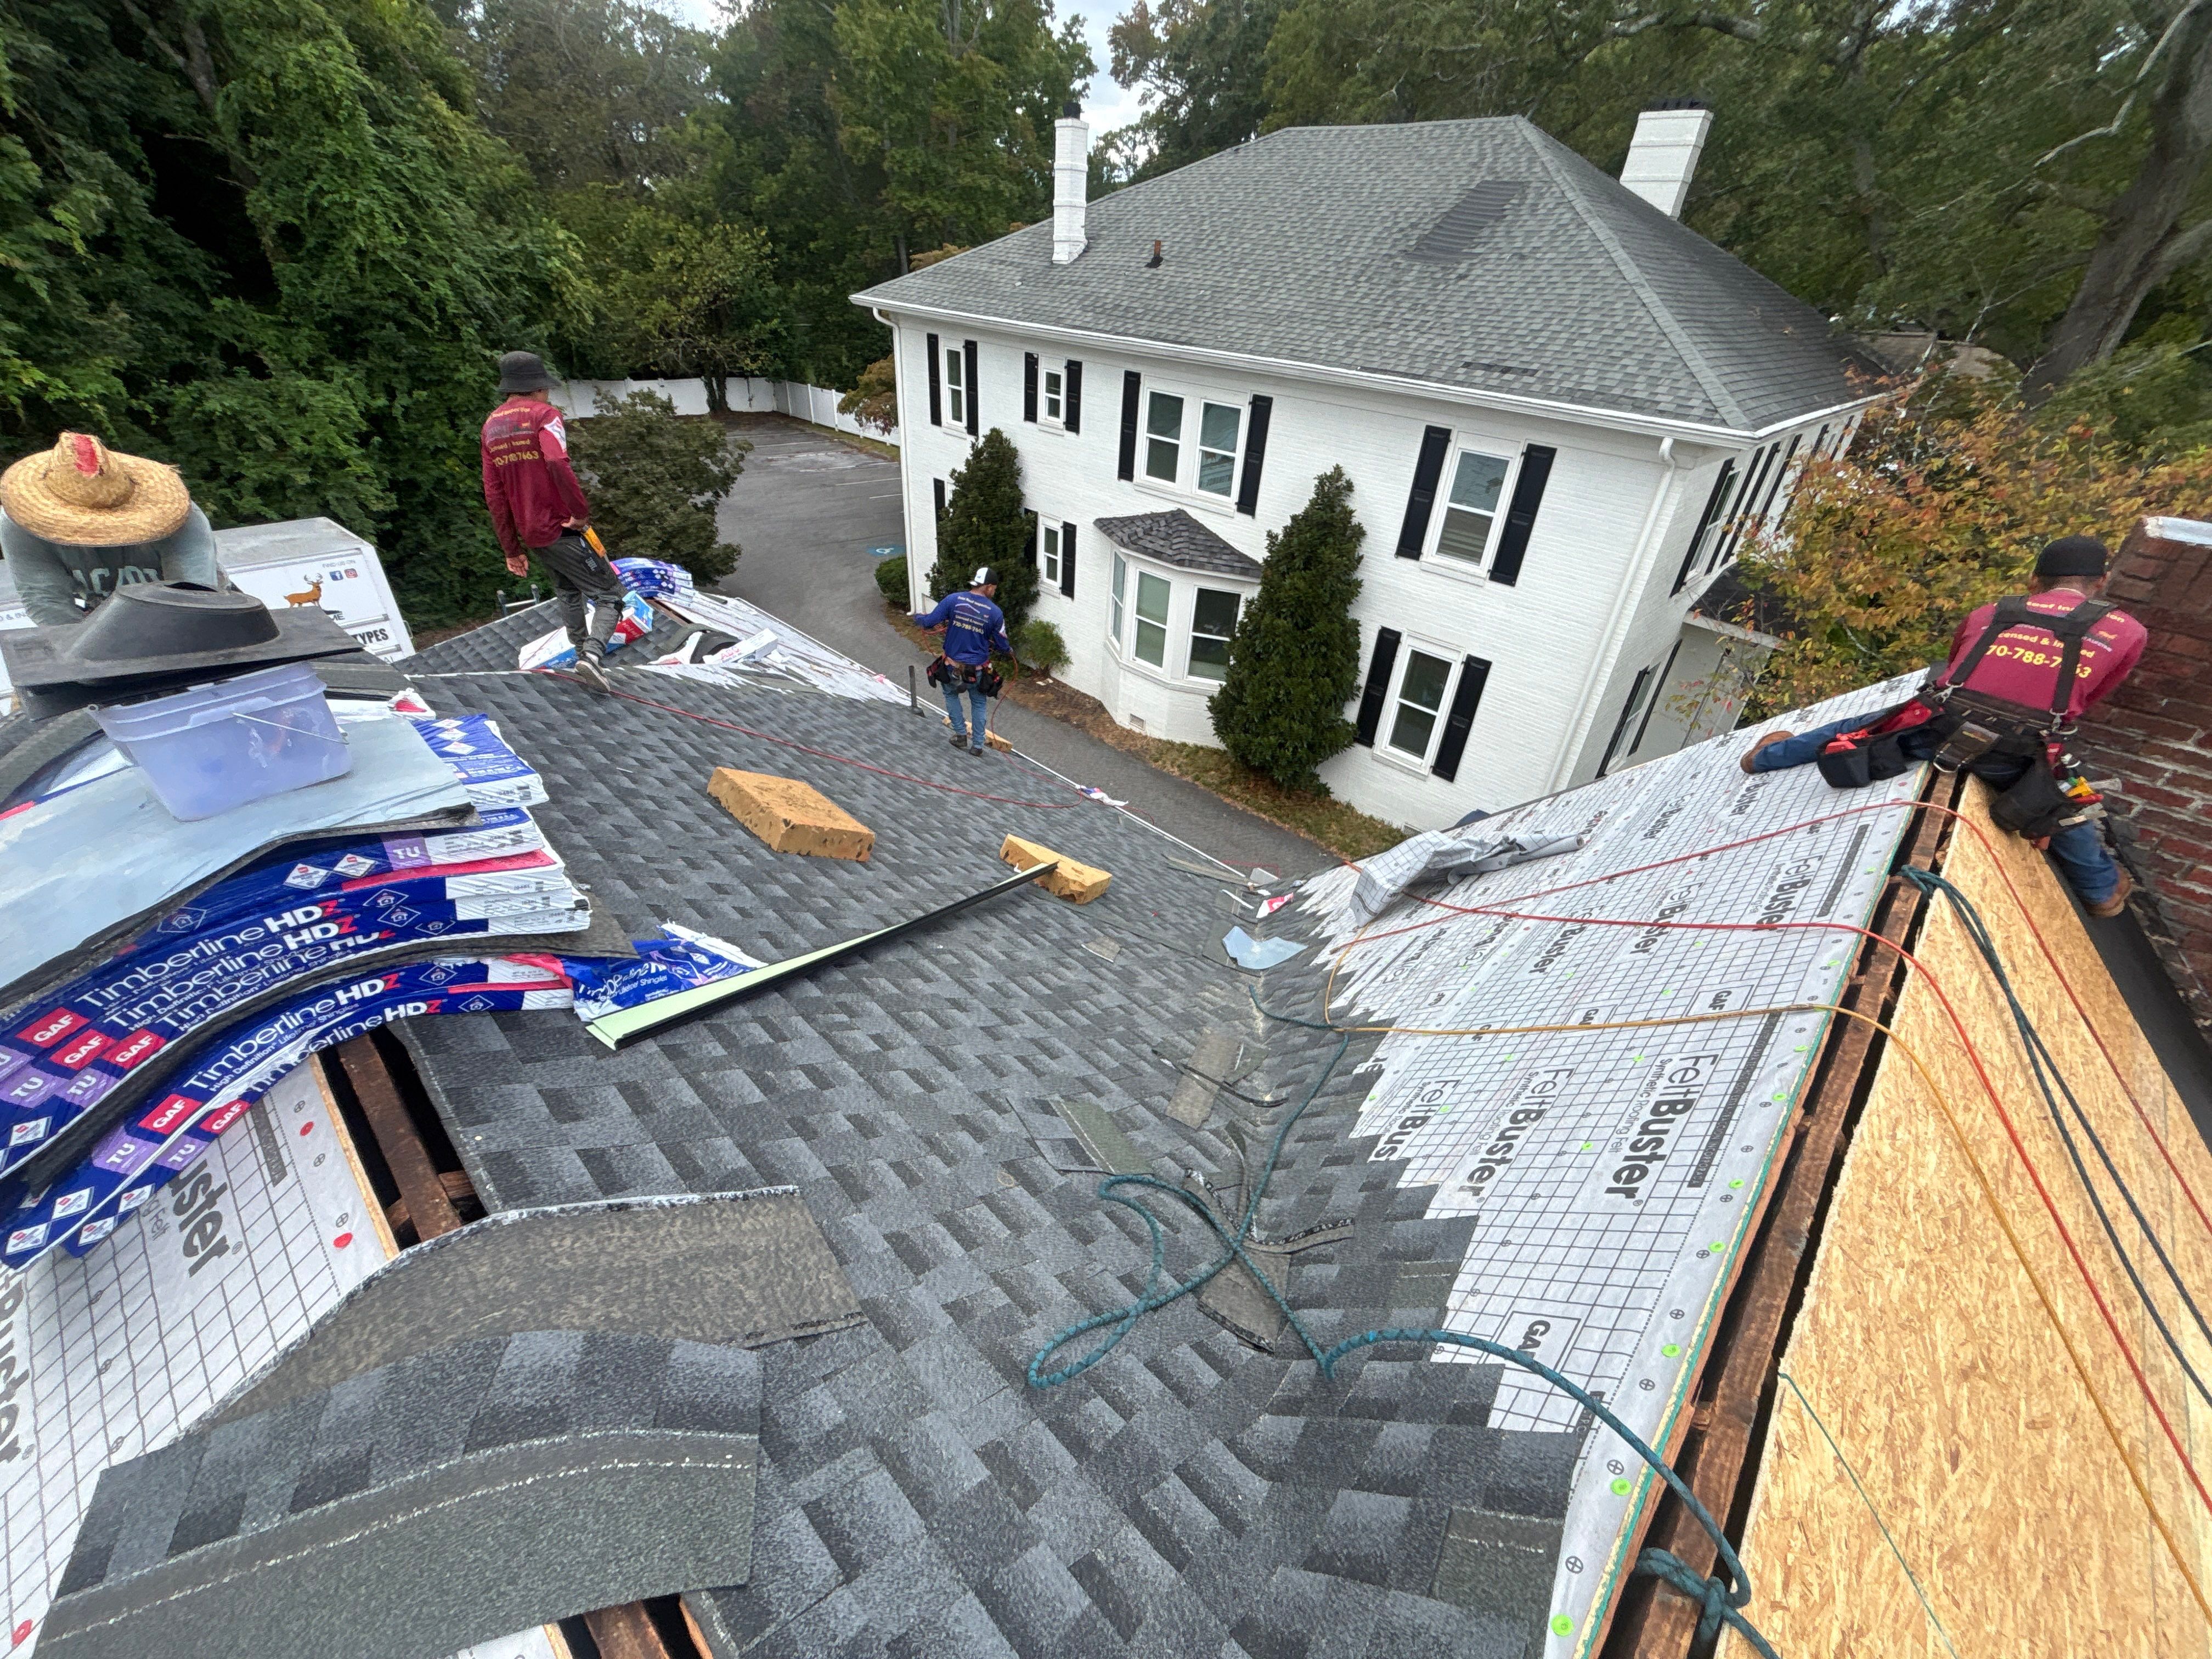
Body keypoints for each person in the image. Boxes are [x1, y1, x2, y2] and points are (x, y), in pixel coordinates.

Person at [1741, 535, 2146, 917]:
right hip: (2015, 754)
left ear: (2035, 579)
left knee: (1860, 727)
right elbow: (2087, 699)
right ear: (2102, 581)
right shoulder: (2128, 632)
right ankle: (2101, 892)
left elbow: (1955, 672)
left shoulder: (1992, 612)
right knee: (2066, 800)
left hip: (1935, 730)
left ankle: (1765, 758)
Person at [480, 350, 626, 693]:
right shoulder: (545, 416)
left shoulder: (491, 427)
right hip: (563, 526)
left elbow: (494, 494)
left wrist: (510, 548)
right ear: (539, 387)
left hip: (532, 533)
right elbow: (557, 463)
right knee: (610, 596)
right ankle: (591, 657)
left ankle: (581, 657)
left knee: (568, 590)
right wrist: (580, 512)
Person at [0, 433, 219, 626]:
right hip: (99, 618)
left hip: (197, 611)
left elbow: (195, 598)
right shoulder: (19, 525)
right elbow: (47, 602)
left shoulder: (180, 515)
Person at [912, 568, 1017, 755]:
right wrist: (1008, 650)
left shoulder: (954, 600)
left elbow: (930, 622)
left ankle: (960, 734)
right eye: (994, 588)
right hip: (977, 671)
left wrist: (917, 618)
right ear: (988, 587)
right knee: (979, 703)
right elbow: (1001, 644)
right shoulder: (995, 612)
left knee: (951, 695)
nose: (994, 592)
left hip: (952, 667)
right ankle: (977, 746)